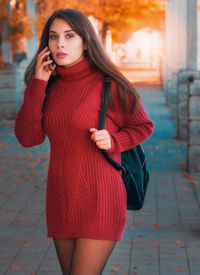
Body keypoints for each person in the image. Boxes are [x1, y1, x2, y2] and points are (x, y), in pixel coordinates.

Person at [14, 8, 154, 275]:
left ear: (86, 41)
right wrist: (38, 83)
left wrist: (113, 140)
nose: (60, 43)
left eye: (69, 35)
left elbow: (143, 126)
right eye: (53, 37)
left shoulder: (109, 85)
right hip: (61, 199)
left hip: (100, 198)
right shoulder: (48, 86)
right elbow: (27, 137)